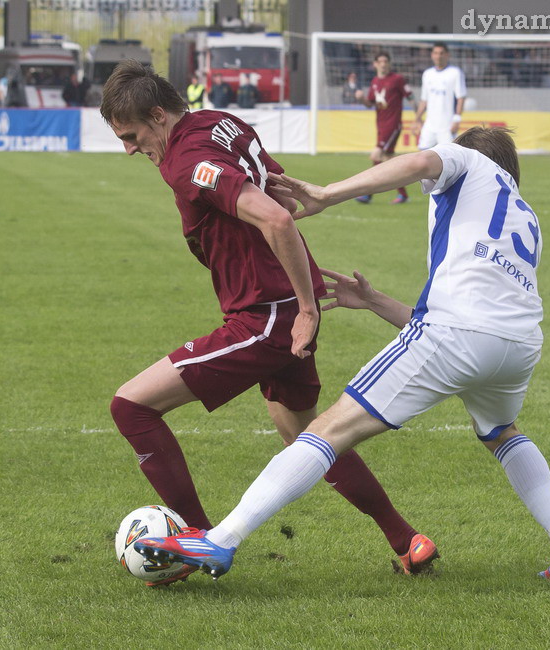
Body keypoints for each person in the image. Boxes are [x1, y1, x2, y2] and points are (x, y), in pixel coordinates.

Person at [136, 126, 550, 586]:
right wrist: (376, 302)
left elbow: (417, 163)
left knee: (326, 430)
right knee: (501, 433)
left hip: (457, 333)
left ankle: (222, 539)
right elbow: (481, 320)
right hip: (519, 345)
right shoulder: (523, 213)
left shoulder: (469, 163)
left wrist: (328, 193)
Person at [100, 60, 437, 586]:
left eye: (131, 135)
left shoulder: (188, 159)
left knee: (131, 406)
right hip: (275, 306)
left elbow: (275, 215)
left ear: (158, 115)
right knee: (308, 440)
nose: (129, 149)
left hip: (266, 317)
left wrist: (303, 305)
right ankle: (407, 541)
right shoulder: (220, 122)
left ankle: (201, 539)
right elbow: (282, 193)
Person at [354, 52, 415, 205]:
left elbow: (410, 97)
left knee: (376, 156)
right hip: (380, 125)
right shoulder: (375, 81)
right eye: (380, 61)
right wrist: (362, 99)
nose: (383, 64)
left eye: (385, 61)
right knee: (388, 160)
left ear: (389, 63)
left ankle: (367, 194)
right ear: (375, 64)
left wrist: (418, 118)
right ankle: (403, 194)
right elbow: (371, 104)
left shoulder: (397, 79)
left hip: (393, 125)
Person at [414, 43, 466, 150]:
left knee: (449, 158)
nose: (438, 56)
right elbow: (424, 100)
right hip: (430, 125)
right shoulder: (427, 74)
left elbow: (461, 97)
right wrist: (417, 119)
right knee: (423, 156)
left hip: (447, 126)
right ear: (432, 55)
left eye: (441, 53)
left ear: (447, 55)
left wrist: (457, 119)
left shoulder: (455, 72)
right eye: (436, 53)